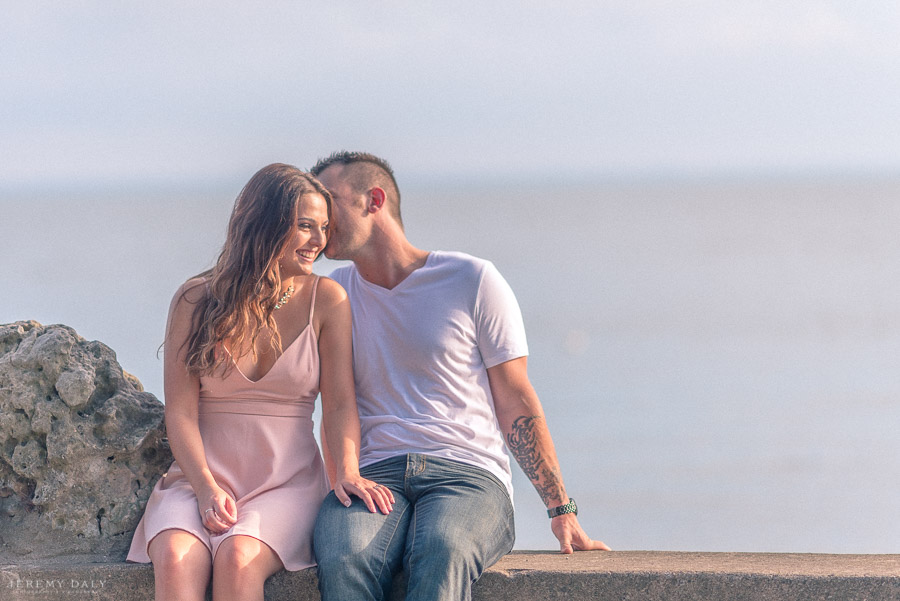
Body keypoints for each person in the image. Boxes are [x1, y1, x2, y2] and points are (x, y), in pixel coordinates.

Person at [311, 151, 610, 601]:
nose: (316, 214)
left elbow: (515, 399)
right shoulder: (332, 297)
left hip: (468, 474)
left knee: (441, 548)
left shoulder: (471, 279)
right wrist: (342, 478)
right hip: (374, 474)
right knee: (345, 554)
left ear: (374, 200)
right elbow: (336, 405)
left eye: (328, 199)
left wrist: (561, 508)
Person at [126, 164, 394, 601]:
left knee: (237, 558)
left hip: (285, 484)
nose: (319, 241)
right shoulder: (196, 298)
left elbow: (341, 404)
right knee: (175, 556)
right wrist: (206, 487)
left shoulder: (326, 299)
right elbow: (179, 412)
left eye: (324, 228)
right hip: (198, 479)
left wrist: (347, 471)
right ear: (264, 223)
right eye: (305, 226)